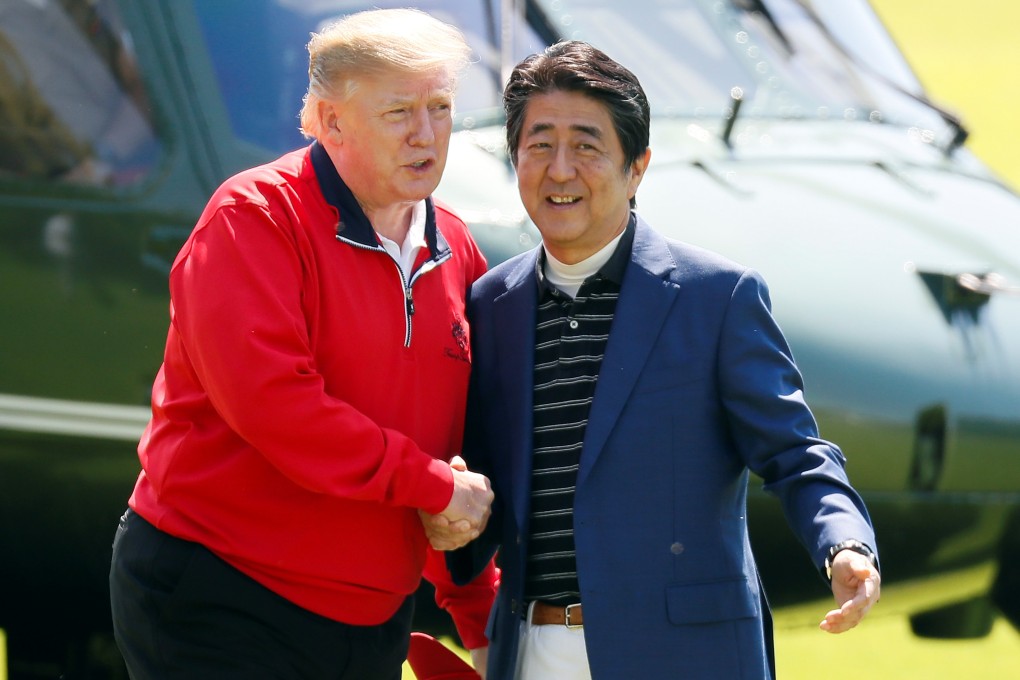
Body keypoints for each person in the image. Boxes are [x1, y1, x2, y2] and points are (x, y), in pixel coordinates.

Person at [435, 40, 881, 679]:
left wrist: (844, 545)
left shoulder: (717, 297)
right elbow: (484, 479)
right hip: (530, 649)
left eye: (587, 146)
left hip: (686, 656)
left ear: (637, 167)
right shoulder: (490, 303)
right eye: (540, 145)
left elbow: (796, 454)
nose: (560, 169)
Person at [109, 9, 497, 679]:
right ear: (330, 120)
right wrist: (432, 487)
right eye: (399, 111)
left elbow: (459, 448)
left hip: (373, 619)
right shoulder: (254, 219)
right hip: (224, 595)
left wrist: (478, 615)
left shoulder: (458, 249)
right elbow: (279, 410)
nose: (427, 134)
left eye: (440, 107)